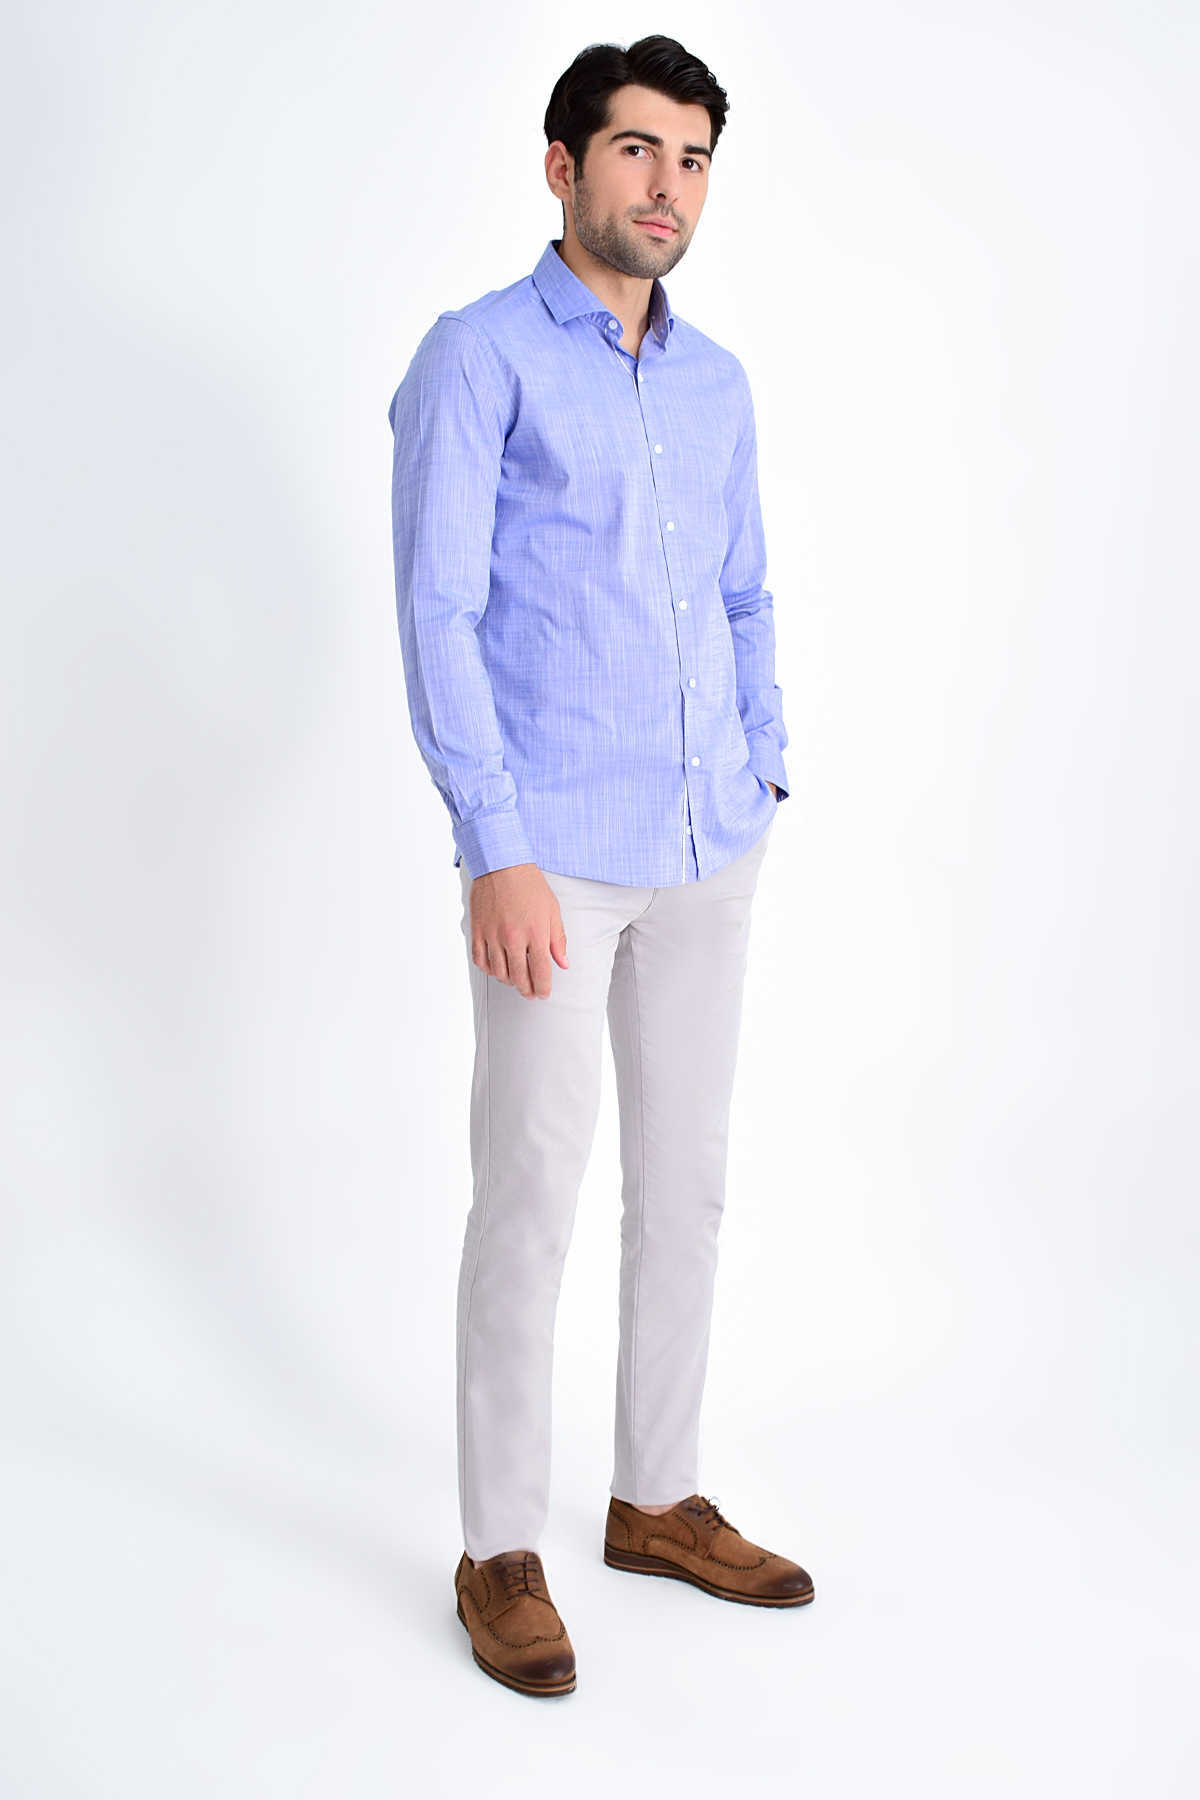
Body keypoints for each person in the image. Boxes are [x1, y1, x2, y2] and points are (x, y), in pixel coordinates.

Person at [387, 35, 814, 1699]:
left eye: (693, 158)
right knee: (533, 1193)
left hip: (711, 842)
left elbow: (746, 589)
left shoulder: (719, 386)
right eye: (638, 150)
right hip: (554, 859)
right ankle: (500, 1546)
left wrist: (765, 760)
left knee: (686, 1185)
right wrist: (494, 847)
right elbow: (438, 613)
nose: (668, 185)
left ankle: (655, 1496)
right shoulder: (478, 359)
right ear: (564, 164)